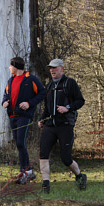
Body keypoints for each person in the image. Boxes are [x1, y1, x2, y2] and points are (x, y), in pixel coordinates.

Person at [38, 59, 86, 194]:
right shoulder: (48, 87)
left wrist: (68, 108)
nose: (52, 70)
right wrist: (42, 120)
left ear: (62, 69)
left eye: (55, 68)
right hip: (50, 126)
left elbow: (80, 101)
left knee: (66, 158)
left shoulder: (69, 83)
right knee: (43, 154)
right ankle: (45, 185)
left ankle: (80, 176)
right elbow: (47, 109)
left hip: (65, 125)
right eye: (50, 68)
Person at [2, 57, 45, 184]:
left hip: (24, 116)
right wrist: (5, 102)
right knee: (18, 143)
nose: (9, 68)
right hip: (12, 116)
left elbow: (42, 93)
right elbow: (6, 94)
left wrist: (29, 103)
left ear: (16, 66)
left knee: (21, 143)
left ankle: (26, 171)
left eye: (10, 66)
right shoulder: (11, 80)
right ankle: (27, 171)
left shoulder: (30, 79)